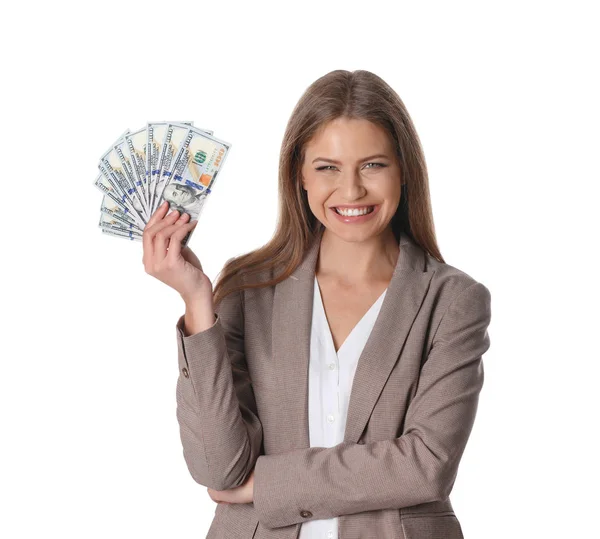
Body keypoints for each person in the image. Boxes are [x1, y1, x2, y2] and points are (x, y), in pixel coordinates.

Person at [142, 69, 492, 539]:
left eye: (373, 165)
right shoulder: (249, 290)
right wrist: (196, 303)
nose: (350, 191)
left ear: (404, 170)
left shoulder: (453, 301)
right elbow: (219, 470)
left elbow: (426, 465)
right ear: (299, 175)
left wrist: (267, 485)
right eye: (328, 167)